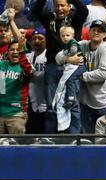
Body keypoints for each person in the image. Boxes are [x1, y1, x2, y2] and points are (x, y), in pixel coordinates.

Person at [30, 0, 88, 133]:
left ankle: (74, 139)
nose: (60, 8)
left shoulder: (75, 18)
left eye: (63, 5)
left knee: (72, 104)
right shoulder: (49, 18)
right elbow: (35, 10)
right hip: (52, 66)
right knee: (51, 105)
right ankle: (51, 138)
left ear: (69, 6)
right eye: (57, 5)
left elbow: (84, 10)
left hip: (71, 67)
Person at [56, 19, 106, 134]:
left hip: (105, 101)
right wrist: (68, 59)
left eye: (100, 31)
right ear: (89, 32)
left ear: (104, 35)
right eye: (93, 30)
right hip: (87, 102)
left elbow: (103, 73)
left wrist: (79, 76)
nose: (96, 32)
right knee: (88, 138)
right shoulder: (82, 45)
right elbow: (58, 57)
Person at [0, 35, 33, 134]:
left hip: (16, 114)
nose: (15, 52)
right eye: (12, 50)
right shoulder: (1, 65)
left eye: (18, 49)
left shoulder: (27, 67)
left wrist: (22, 51)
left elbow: (28, 70)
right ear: (7, 52)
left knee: (17, 146)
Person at [56, 25, 86, 110]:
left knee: (70, 78)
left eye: (67, 35)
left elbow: (73, 50)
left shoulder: (72, 42)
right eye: (63, 36)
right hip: (74, 66)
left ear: (72, 36)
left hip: (81, 66)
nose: (65, 37)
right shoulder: (66, 44)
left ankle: (71, 98)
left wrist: (67, 55)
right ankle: (69, 97)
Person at [26, 28, 47, 134]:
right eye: (34, 39)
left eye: (40, 38)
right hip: (32, 102)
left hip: (46, 102)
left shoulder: (50, 57)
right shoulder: (29, 56)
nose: (37, 41)